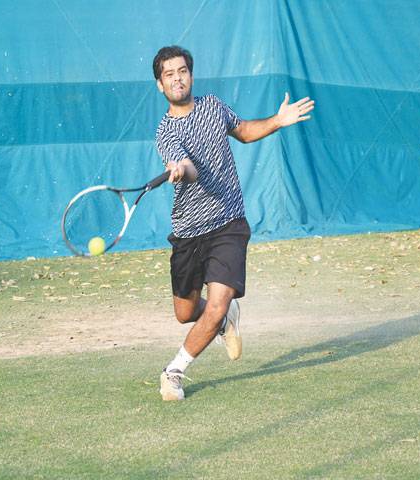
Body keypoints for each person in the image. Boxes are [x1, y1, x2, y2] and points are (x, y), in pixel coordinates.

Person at [153, 45, 314, 401]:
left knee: (217, 303)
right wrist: (181, 168)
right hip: (188, 233)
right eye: (169, 75)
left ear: (191, 75)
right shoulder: (165, 133)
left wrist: (276, 120)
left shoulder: (213, 106)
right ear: (160, 86)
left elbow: (241, 131)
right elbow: (188, 166)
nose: (177, 78)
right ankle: (224, 321)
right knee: (184, 313)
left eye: (182, 71)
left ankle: (174, 371)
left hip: (228, 222)